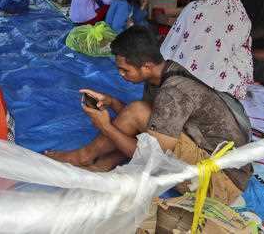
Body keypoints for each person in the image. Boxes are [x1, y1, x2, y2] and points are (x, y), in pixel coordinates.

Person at [46, 26, 251, 204]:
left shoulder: (174, 91)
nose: (121, 75)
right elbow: (148, 122)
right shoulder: (162, 73)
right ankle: (99, 164)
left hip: (220, 183)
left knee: (139, 115)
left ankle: (84, 157)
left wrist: (105, 126)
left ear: (146, 66)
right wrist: (113, 102)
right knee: (140, 114)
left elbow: (151, 156)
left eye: (125, 70)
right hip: (212, 162)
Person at [160, 0, 254, 99]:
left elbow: (170, 46)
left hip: (182, 77)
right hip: (220, 86)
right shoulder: (244, 20)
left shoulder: (195, 7)